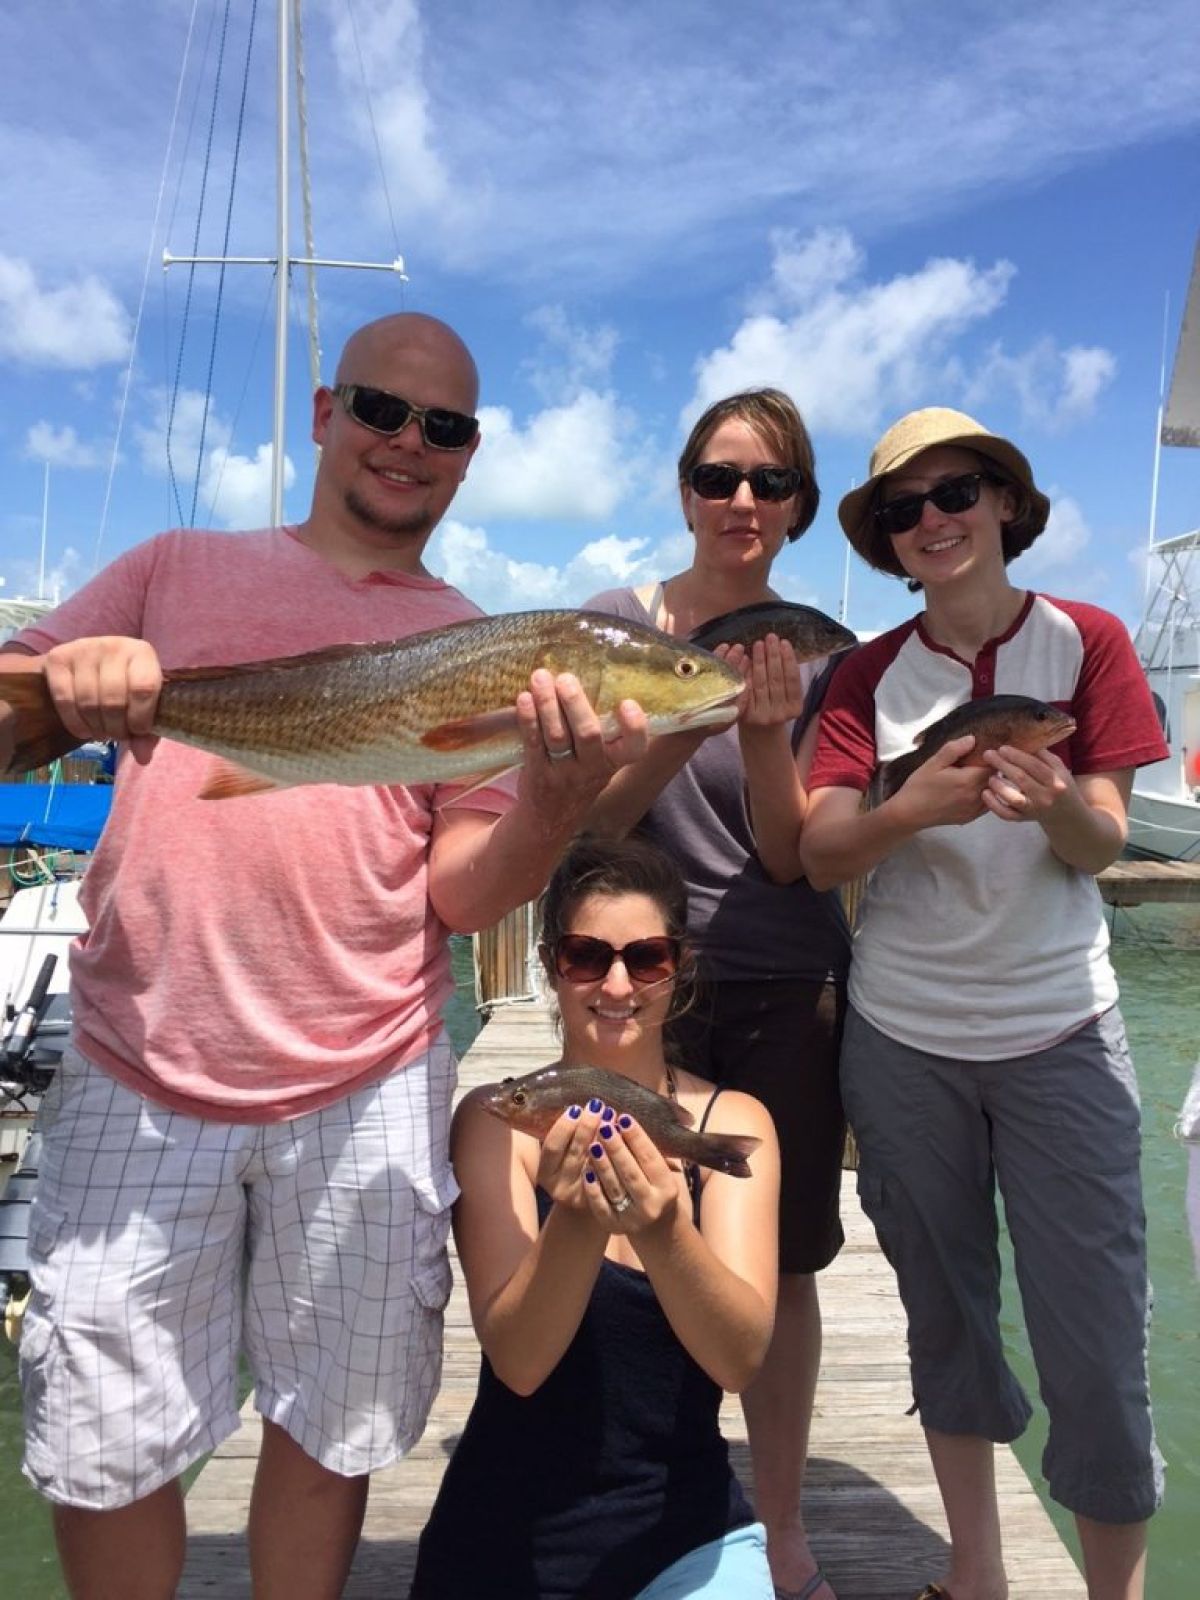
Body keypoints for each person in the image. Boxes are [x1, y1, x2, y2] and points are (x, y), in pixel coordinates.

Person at [0, 312, 652, 1600]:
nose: (408, 442)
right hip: (140, 1066)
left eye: (444, 426)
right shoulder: (171, 566)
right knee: (105, 1446)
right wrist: (69, 674)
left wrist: (554, 802)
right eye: (381, 408)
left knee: (333, 1418)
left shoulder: (486, 639)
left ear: (470, 457)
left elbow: (464, 897)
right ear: (321, 413)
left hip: (365, 1082)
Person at [770, 407, 1165, 1600]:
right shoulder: (861, 677)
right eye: (904, 509)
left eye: (956, 495)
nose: (933, 521)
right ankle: (978, 1577)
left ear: (1004, 503)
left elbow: (1100, 843)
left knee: (1097, 1343)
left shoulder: (1089, 643)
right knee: (944, 1318)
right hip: (905, 1043)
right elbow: (823, 850)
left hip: (1062, 1033)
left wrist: (1047, 802)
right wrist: (908, 811)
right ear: (887, 540)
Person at [583, 389, 850, 1600]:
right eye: (718, 475)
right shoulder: (610, 625)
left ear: (796, 505)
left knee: (781, 1264)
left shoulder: (822, 643)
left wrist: (758, 728)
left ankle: (780, 1518)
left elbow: (794, 856)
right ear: (683, 487)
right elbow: (584, 821)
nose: (742, 501)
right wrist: (691, 709)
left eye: (770, 481)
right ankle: (653, 1493)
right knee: (628, 1239)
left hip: (783, 970)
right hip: (636, 970)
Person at [410, 834, 781, 1599]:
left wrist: (663, 1229)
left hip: (684, 1534)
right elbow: (519, 1359)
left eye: (645, 958)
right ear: (552, 966)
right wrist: (577, 1222)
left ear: (677, 970)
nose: (617, 984)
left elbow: (739, 1359)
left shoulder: (733, 1122)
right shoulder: (495, 1122)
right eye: (586, 956)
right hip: (504, 1532)